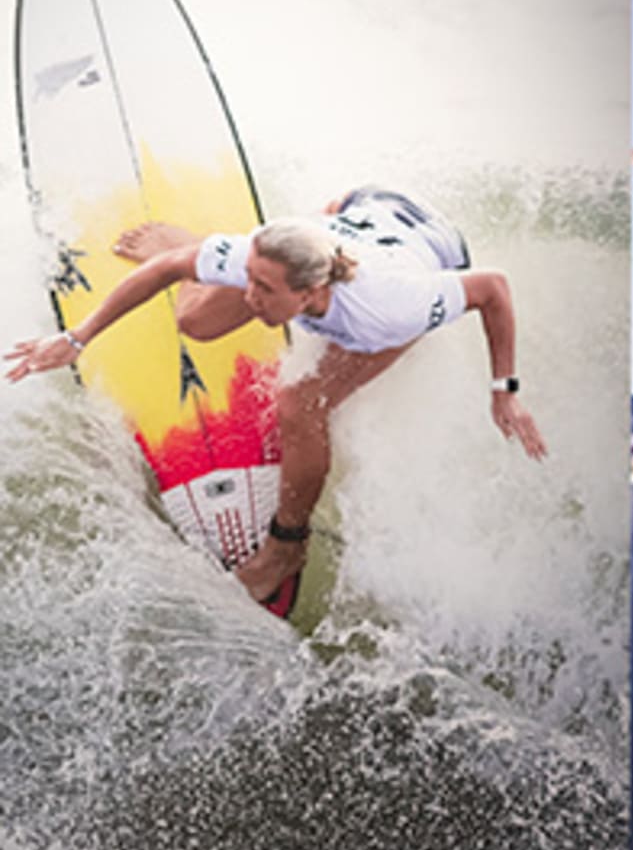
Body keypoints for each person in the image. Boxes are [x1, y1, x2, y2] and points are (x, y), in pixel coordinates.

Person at [5, 187, 545, 607]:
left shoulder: (387, 308)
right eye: (249, 279)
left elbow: (491, 288)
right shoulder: (270, 256)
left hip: (429, 248)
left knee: (300, 403)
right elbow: (167, 269)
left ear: (311, 294)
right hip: (369, 205)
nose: (248, 294)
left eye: (263, 289)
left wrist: (505, 391)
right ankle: (205, 241)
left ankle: (286, 548)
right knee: (194, 317)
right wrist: (76, 339)